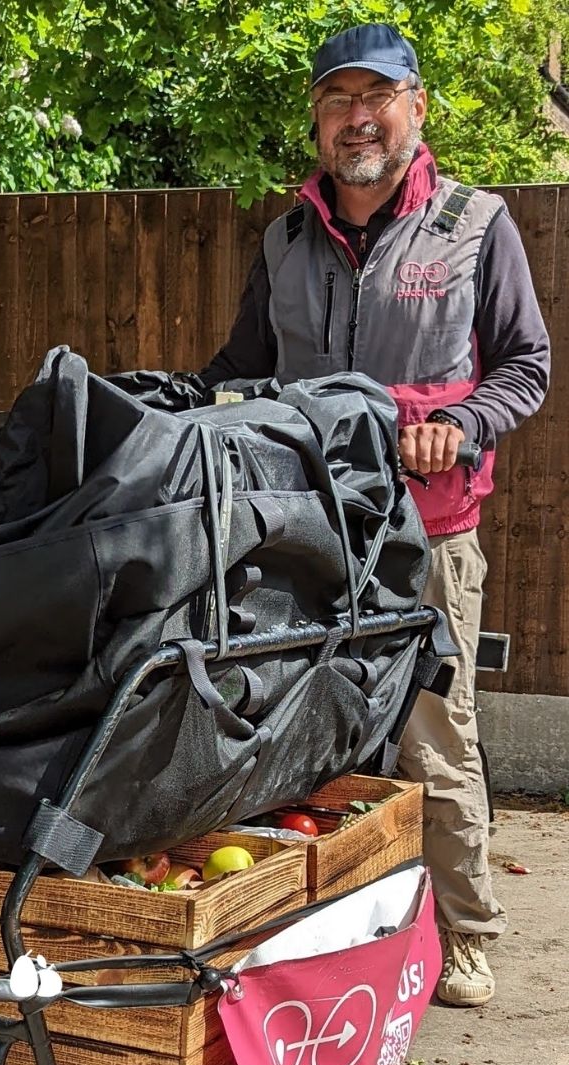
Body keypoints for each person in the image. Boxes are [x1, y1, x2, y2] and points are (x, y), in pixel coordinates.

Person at [199, 23, 550, 1006]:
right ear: (318, 119)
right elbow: (243, 374)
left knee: (433, 736)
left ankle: (466, 932)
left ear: (415, 108)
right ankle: (341, 923)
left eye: (376, 97)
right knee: (309, 737)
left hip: (427, 535)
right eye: (337, 100)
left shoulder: (477, 225)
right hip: (310, 537)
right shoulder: (286, 238)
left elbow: (528, 365)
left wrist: (464, 425)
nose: (357, 118)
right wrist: (185, 408)